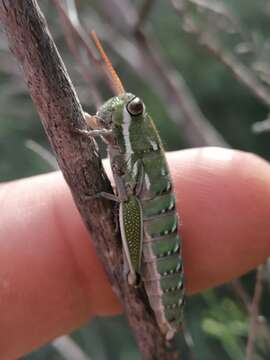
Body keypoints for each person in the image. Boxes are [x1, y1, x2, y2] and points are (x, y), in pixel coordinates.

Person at [1, 147, 270, 359]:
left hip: (162, 267)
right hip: (149, 231)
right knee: (127, 202)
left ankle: (135, 274)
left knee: (128, 202)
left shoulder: (143, 153)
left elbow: (131, 198)